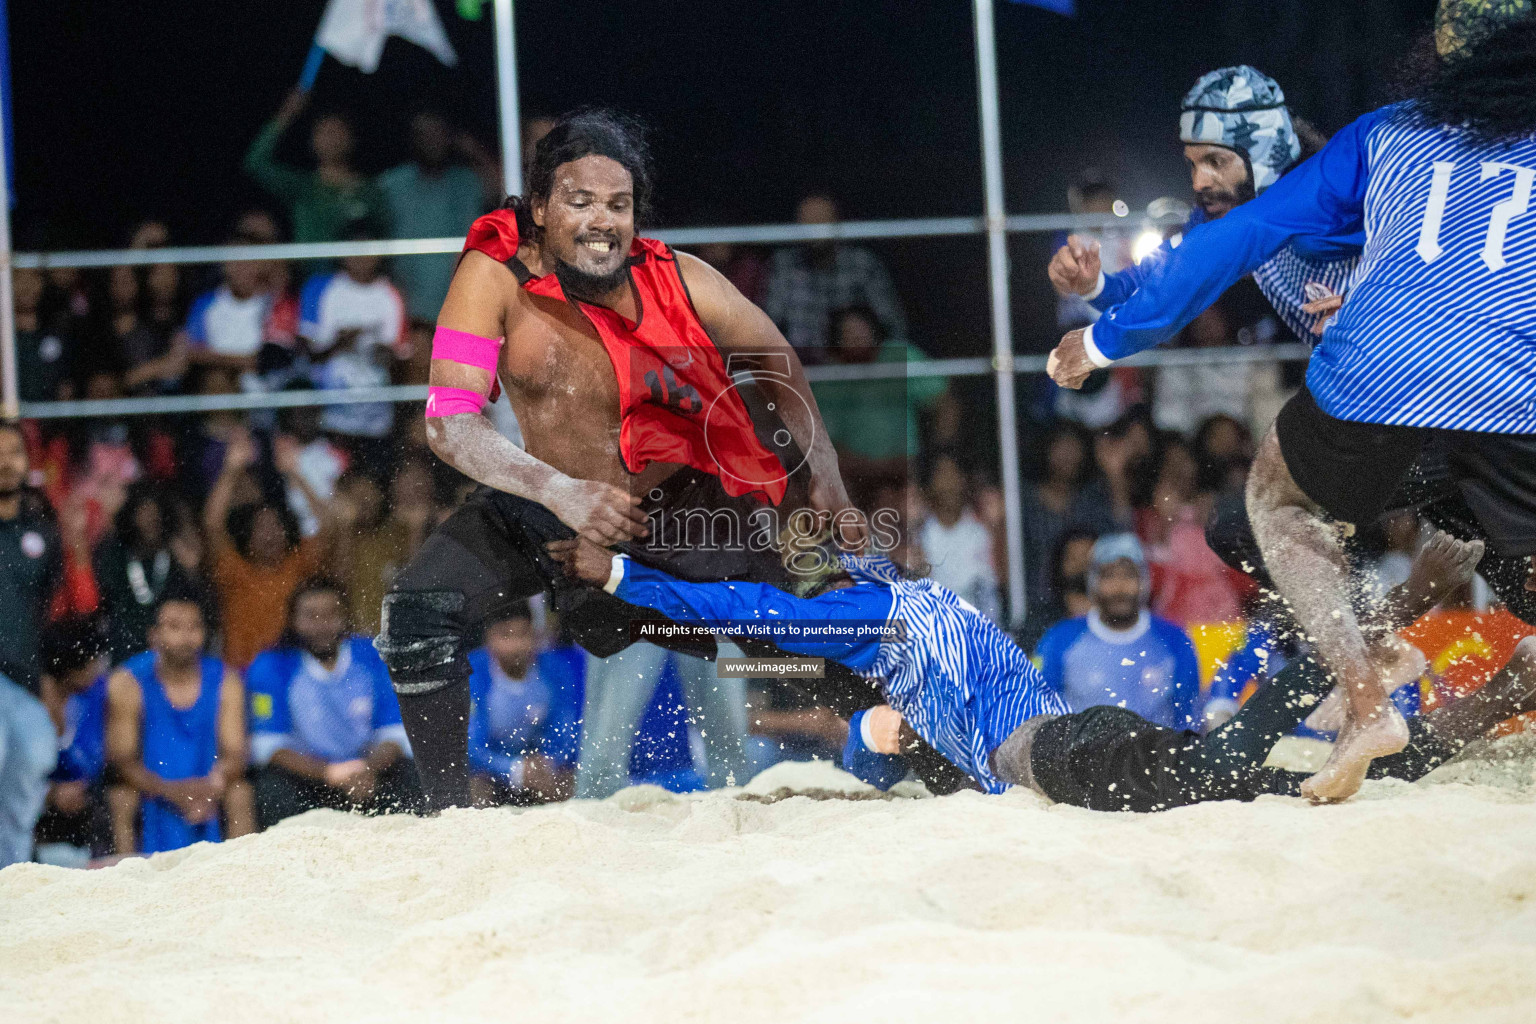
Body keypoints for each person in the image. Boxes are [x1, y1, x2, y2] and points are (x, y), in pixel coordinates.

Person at [1048, 4, 1536, 801]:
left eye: (1213, 160)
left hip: (1400, 404)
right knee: (1252, 530)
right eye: (1190, 162)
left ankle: (1389, 659)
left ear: (1262, 149)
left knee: (1282, 515)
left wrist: (1377, 301)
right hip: (1464, 421)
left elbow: (1433, 249)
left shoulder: (1341, 187)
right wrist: (1099, 288)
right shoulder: (1248, 212)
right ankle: (1389, 652)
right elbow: (1171, 269)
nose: (1200, 180)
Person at [374, 109, 870, 812]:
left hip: (689, 512)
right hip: (562, 510)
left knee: (840, 636)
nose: (602, 220)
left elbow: (775, 361)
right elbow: (450, 424)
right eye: (580, 202)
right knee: (416, 614)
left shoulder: (679, 278)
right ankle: (450, 817)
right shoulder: (493, 275)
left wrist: (828, 481)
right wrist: (560, 491)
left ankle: (955, 768)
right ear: (540, 208)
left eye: (619, 204)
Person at [549, 529, 1511, 811]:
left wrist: (631, 579)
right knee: (1265, 779)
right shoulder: (915, 604)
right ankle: (1386, 674)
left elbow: (744, 615)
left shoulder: (872, 615)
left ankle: (1354, 647)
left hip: (1057, 755)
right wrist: (648, 614)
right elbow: (752, 627)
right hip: (1073, 741)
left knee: (1234, 770)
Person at [246, 578, 417, 826]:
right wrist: (329, 773)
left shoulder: (374, 657)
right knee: (271, 789)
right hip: (307, 777)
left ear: (345, 616)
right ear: (293, 620)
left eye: (330, 615)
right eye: (311, 616)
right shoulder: (270, 666)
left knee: (411, 776)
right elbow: (269, 747)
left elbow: (394, 734)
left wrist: (366, 770)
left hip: (369, 771)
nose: (321, 625)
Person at [104, 591, 253, 854]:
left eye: (194, 626)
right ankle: (126, 879)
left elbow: (236, 754)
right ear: (154, 636)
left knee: (240, 792)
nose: (186, 637)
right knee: (121, 797)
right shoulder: (127, 682)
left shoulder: (226, 680)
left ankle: (243, 871)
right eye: (174, 627)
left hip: (208, 792)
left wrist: (212, 787)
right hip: (153, 792)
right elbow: (122, 761)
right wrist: (171, 792)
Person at [1034, 534, 1204, 732]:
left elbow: (1189, 721)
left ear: (1144, 580)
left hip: (1157, 760)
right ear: (1093, 582)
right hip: (1081, 760)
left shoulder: (1175, 641)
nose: (1119, 586)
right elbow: (1040, 716)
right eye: (1108, 576)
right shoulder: (1059, 640)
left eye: (1129, 575)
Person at [204, 428, 333, 668]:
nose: (269, 534)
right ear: (248, 537)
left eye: (276, 526)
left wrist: (296, 474)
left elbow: (327, 525)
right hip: (242, 675)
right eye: (261, 528)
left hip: (291, 674)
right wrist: (231, 471)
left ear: (287, 533)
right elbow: (212, 523)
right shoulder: (234, 570)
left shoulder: (299, 564)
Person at [0, 421, 99, 695]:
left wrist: (54, 677)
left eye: (14, 453)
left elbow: (75, 607)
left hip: (29, 683)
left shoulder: (45, 531)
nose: (6, 462)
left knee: (42, 739)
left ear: (27, 460)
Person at [298, 229, 409, 467]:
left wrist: (380, 351)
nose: (360, 258)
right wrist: (341, 342)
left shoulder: (390, 294)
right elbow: (306, 355)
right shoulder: (321, 288)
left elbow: (399, 359)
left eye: (367, 251)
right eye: (354, 250)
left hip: (376, 421)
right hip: (330, 418)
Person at [377, 109, 499, 322]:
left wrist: (474, 150)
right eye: (424, 135)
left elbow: (511, 190)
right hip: (407, 305)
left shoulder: (467, 182)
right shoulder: (392, 184)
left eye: (438, 134)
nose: (431, 141)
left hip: (461, 302)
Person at [761, 194, 908, 356]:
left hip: (853, 367)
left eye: (820, 222)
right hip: (801, 367)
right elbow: (766, 329)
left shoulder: (861, 263)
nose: (814, 231)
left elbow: (891, 326)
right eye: (807, 223)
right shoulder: (783, 265)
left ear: (837, 223)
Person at [466, 602, 580, 806]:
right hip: (492, 772)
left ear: (535, 635)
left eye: (523, 634)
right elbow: (471, 748)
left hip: (538, 772)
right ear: (488, 638)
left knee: (568, 781)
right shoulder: (472, 672)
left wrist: (547, 762)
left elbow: (567, 734)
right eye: (505, 635)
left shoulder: (554, 668)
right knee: (476, 788)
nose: (516, 645)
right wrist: (514, 769)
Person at [244, 89, 389, 244]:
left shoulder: (369, 190)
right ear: (313, 141)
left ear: (351, 139)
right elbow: (255, 163)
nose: (331, 140)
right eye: (324, 133)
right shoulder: (302, 187)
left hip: (352, 267)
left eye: (336, 132)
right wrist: (286, 115)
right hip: (310, 267)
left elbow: (383, 234)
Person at [93, 482, 206, 661]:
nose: (150, 521)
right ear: (131, 517)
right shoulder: (117, 554)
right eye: (143, 514)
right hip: (125, 651)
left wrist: (189, 566)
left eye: (155, 515)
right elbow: (104, 593)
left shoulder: (174, 557)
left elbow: (194, 596)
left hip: (170, 653)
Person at [33, 618, 111, 866]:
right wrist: (50, 795)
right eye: (93, 662)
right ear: (71, 666)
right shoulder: (26, 707)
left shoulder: (92, 697)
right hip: (31, 810)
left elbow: (100, 760)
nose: (99, 669)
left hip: (78, 810)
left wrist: (83, 788)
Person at [917, 454, 1001, 623]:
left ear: (964, 480)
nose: (949, 483)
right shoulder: (920, 536)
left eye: (954, 474)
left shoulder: (981, 532)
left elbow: (993, 590)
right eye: (942, 474)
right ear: (930, 484)